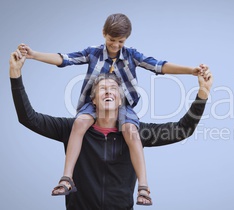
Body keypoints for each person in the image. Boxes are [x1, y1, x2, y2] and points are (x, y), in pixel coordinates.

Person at [17, 13, 207, 204]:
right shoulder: (94, 53)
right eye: (111, 40)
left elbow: (160, 66)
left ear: (127, 39)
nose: (115, 46)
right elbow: (64, 59)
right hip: (90, 108)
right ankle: (66, 179)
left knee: (132, 131)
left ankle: (143, 188)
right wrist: (34, 55)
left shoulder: (132, 56)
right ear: (103, 34)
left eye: (120, 41)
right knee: (79, 123)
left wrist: (191, 71)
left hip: (124, 109)